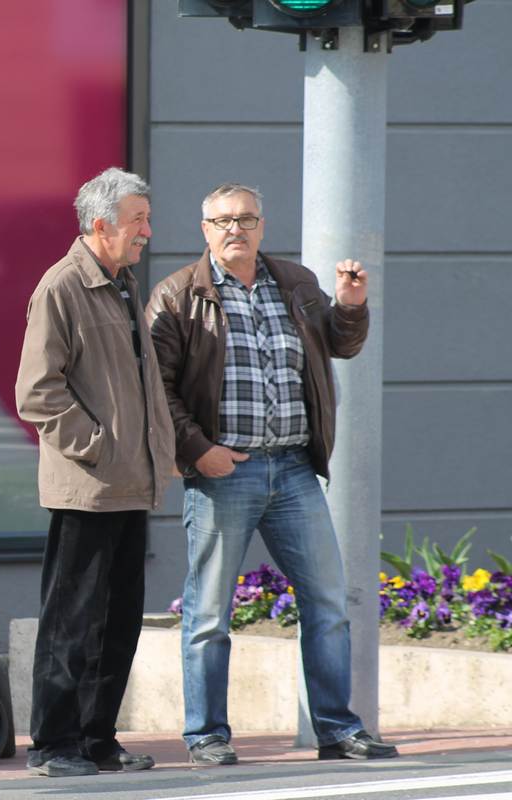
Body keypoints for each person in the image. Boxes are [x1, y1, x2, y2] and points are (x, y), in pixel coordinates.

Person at [145, 182, 398, 764]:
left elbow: (338, 344)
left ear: (262, 226)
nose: (237, 228)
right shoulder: (177, 296)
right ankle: (206, 735)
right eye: (224, 220)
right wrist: (196, 449)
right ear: (204, 229)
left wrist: (351, 306)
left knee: (328, 604)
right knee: (209, 614)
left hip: (292, 470)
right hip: (221, 473)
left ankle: (336, 729)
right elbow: (156, 391)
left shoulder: (297, 283)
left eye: (247, 218)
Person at [14, 166, 175, 778]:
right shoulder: (62, 287)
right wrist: (102, 447)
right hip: (89, 485)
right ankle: (54, 744)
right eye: (138, 221)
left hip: (131, 483)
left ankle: (97, 738)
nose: (147, 232)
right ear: (101, 224)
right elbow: (37, 391)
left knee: (118, 618)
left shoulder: (122, 283)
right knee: (72, 619)